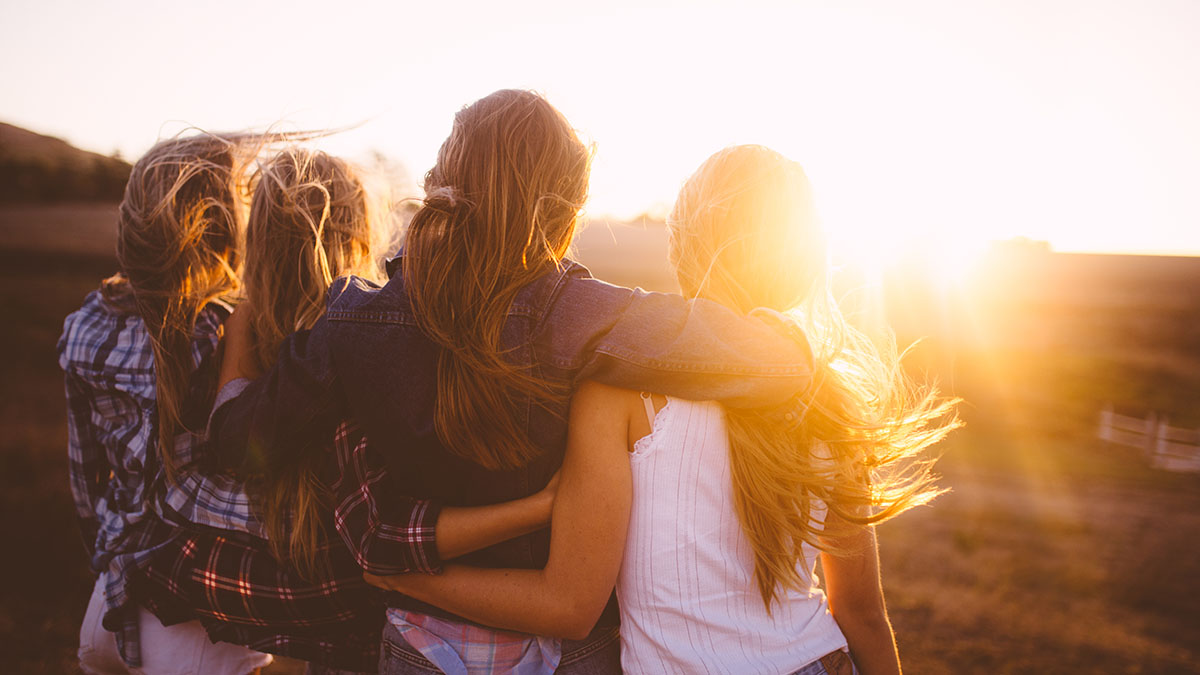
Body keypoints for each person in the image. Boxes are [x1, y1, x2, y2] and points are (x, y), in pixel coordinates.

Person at [210, 90, 822, 674]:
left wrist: (238, 340)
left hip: (423, 644)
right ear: (563, 214)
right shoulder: (586, 315)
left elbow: (238, 444)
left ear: (439, 183)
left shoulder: (351, 319)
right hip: (568, 654)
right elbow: (776, 363)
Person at [366, 145, 960, 675]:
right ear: (807, 260)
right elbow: (860, 613)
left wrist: (404, 574)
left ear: (682, 243)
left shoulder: (622, 391)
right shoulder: (828, 394)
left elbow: (569, 604)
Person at [132, 146, 560, 674]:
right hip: (378, 624)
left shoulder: (244, 354)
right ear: (360, 238)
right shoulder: (375, 350)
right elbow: (382, 532)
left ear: (256, 249)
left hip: (305, 610)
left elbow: (194, 484)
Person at [59, 133, 275, 674]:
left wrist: (107, 555)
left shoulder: (84, 326)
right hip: (196, 621)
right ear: (229, 232)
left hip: (105, 606)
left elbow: (85, 478)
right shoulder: (230, 333)